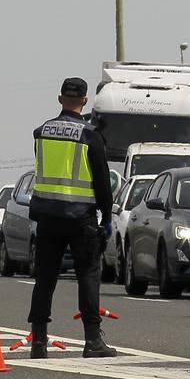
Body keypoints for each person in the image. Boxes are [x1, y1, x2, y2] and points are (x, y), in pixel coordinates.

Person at [26, 77, 116, 359]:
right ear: (85, 102)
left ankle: (39, 342)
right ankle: (92, 341)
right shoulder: (90, 135)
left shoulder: (41, 132)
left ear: (60, 99)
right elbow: (102, 181)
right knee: (88, 275)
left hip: (48, 215)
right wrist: (107, 215)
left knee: (45, 278)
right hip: (80, 217)